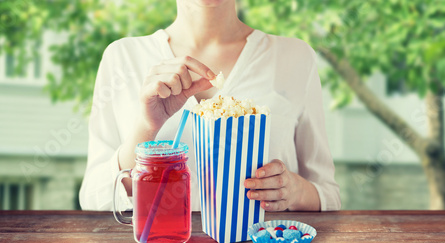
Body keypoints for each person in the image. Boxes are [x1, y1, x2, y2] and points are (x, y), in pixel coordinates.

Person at [79, 0, 341, 212]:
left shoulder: (295, 57)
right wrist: (147, 127)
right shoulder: (122, 58)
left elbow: (328, 195)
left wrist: (294, 191)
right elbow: (93, 198)